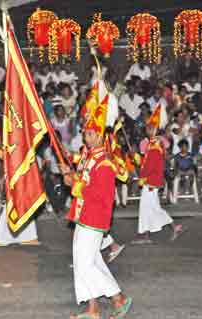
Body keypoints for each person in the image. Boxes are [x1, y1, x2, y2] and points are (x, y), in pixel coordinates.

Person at [62, 105, 132, 319]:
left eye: (91, 134)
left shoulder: (105, 163)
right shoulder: (89, 155)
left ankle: (118, 297)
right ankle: (93, 309)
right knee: (88, 262)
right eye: (85, 133)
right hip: (82, 215)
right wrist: (70, 171)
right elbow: (82, 174)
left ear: (101, 136)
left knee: (84, 265)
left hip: (94, 218)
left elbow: (101, 196)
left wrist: (74, 182)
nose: (87, 137)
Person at [132, 107, 185, 244]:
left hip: (150, 181)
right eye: (147, 128)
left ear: (155, 129)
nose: (148, 130)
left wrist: (142, 176)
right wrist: (138, 159)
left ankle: (145, 235)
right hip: (152, 180)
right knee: (152, 208)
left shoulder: (155, 145)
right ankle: (171, 227)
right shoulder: (153, 144)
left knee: (147, 208)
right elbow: (147, 162)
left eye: (151, 128)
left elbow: (150, 165)